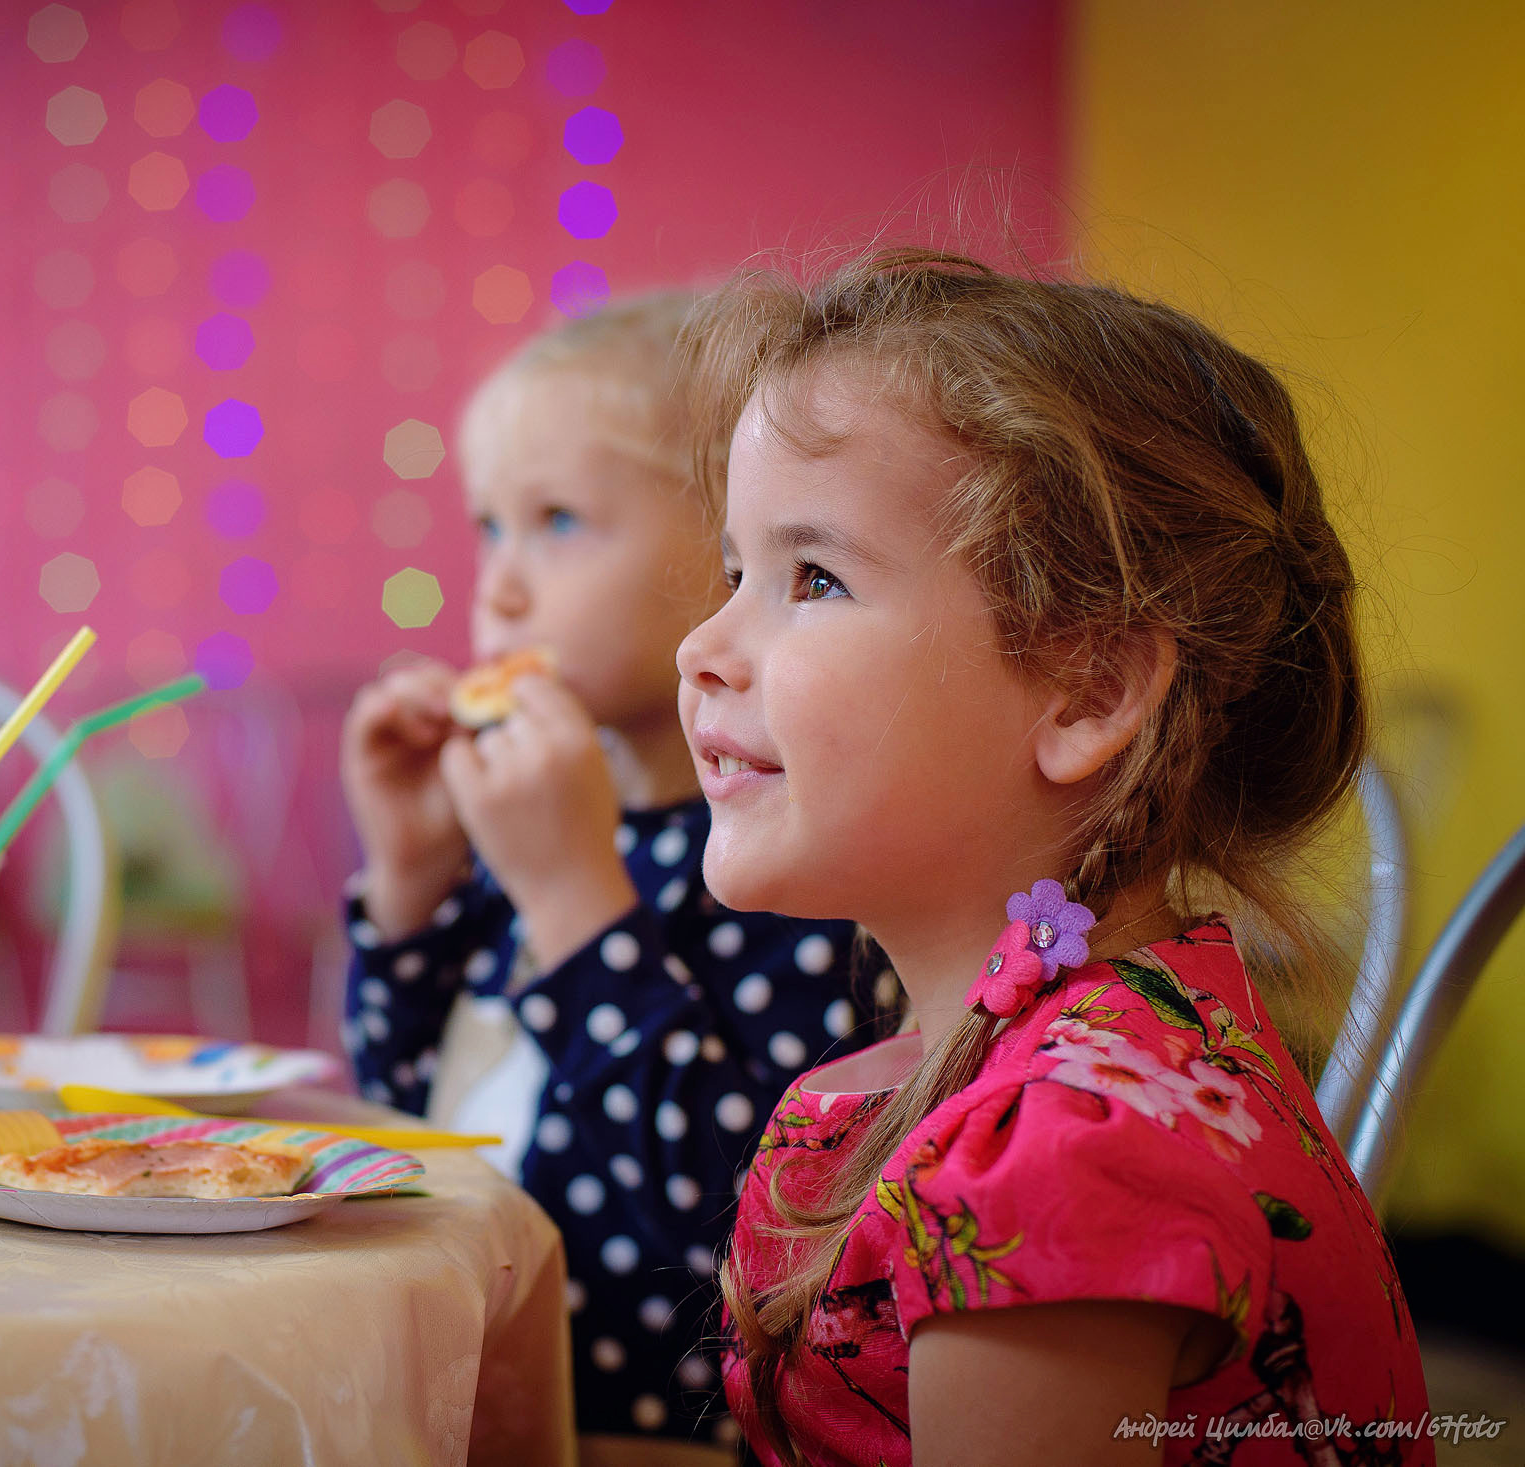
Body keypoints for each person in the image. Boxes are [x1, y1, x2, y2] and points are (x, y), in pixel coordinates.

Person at [678, 251, 1428, 1464]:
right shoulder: (1058, 1056)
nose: (702, 646)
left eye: (811, 577)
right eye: (732, 573)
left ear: (1086, 692)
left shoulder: (1063, 1156)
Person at [340, 295, 876, 1461]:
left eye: (561, 522)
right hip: (463, 1405)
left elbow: (737, 1237)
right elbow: (402, 1120)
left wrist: (576, 902)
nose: (502, 588)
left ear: (730, 552)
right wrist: (415, 875)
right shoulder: (531, 806)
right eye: (490, 526)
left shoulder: (790, 858)